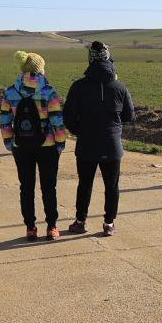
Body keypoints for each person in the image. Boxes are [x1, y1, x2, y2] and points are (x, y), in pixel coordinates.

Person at [63, 41, 134, 236]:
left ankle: (80, 221)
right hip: (112, 146)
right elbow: (129, 116)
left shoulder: (78, 87)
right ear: (108, 58)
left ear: (90, 59)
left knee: (84, 184)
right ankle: (109, 223)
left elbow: (68, 116)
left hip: (86, 144)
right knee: (111, 186)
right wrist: (115, 128)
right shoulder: (120, 87)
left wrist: (79, 131)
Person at [2, 51, 67, 240]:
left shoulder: (10, 91)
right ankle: (52, 227)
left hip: (21, 146)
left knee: (26, 187)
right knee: (49, 187)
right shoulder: (48, 91)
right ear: (40, 69)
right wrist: (60, 144)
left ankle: (30, 227)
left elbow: (5, 120)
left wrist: (9, 142)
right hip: (47, 146)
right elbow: (57, 120)